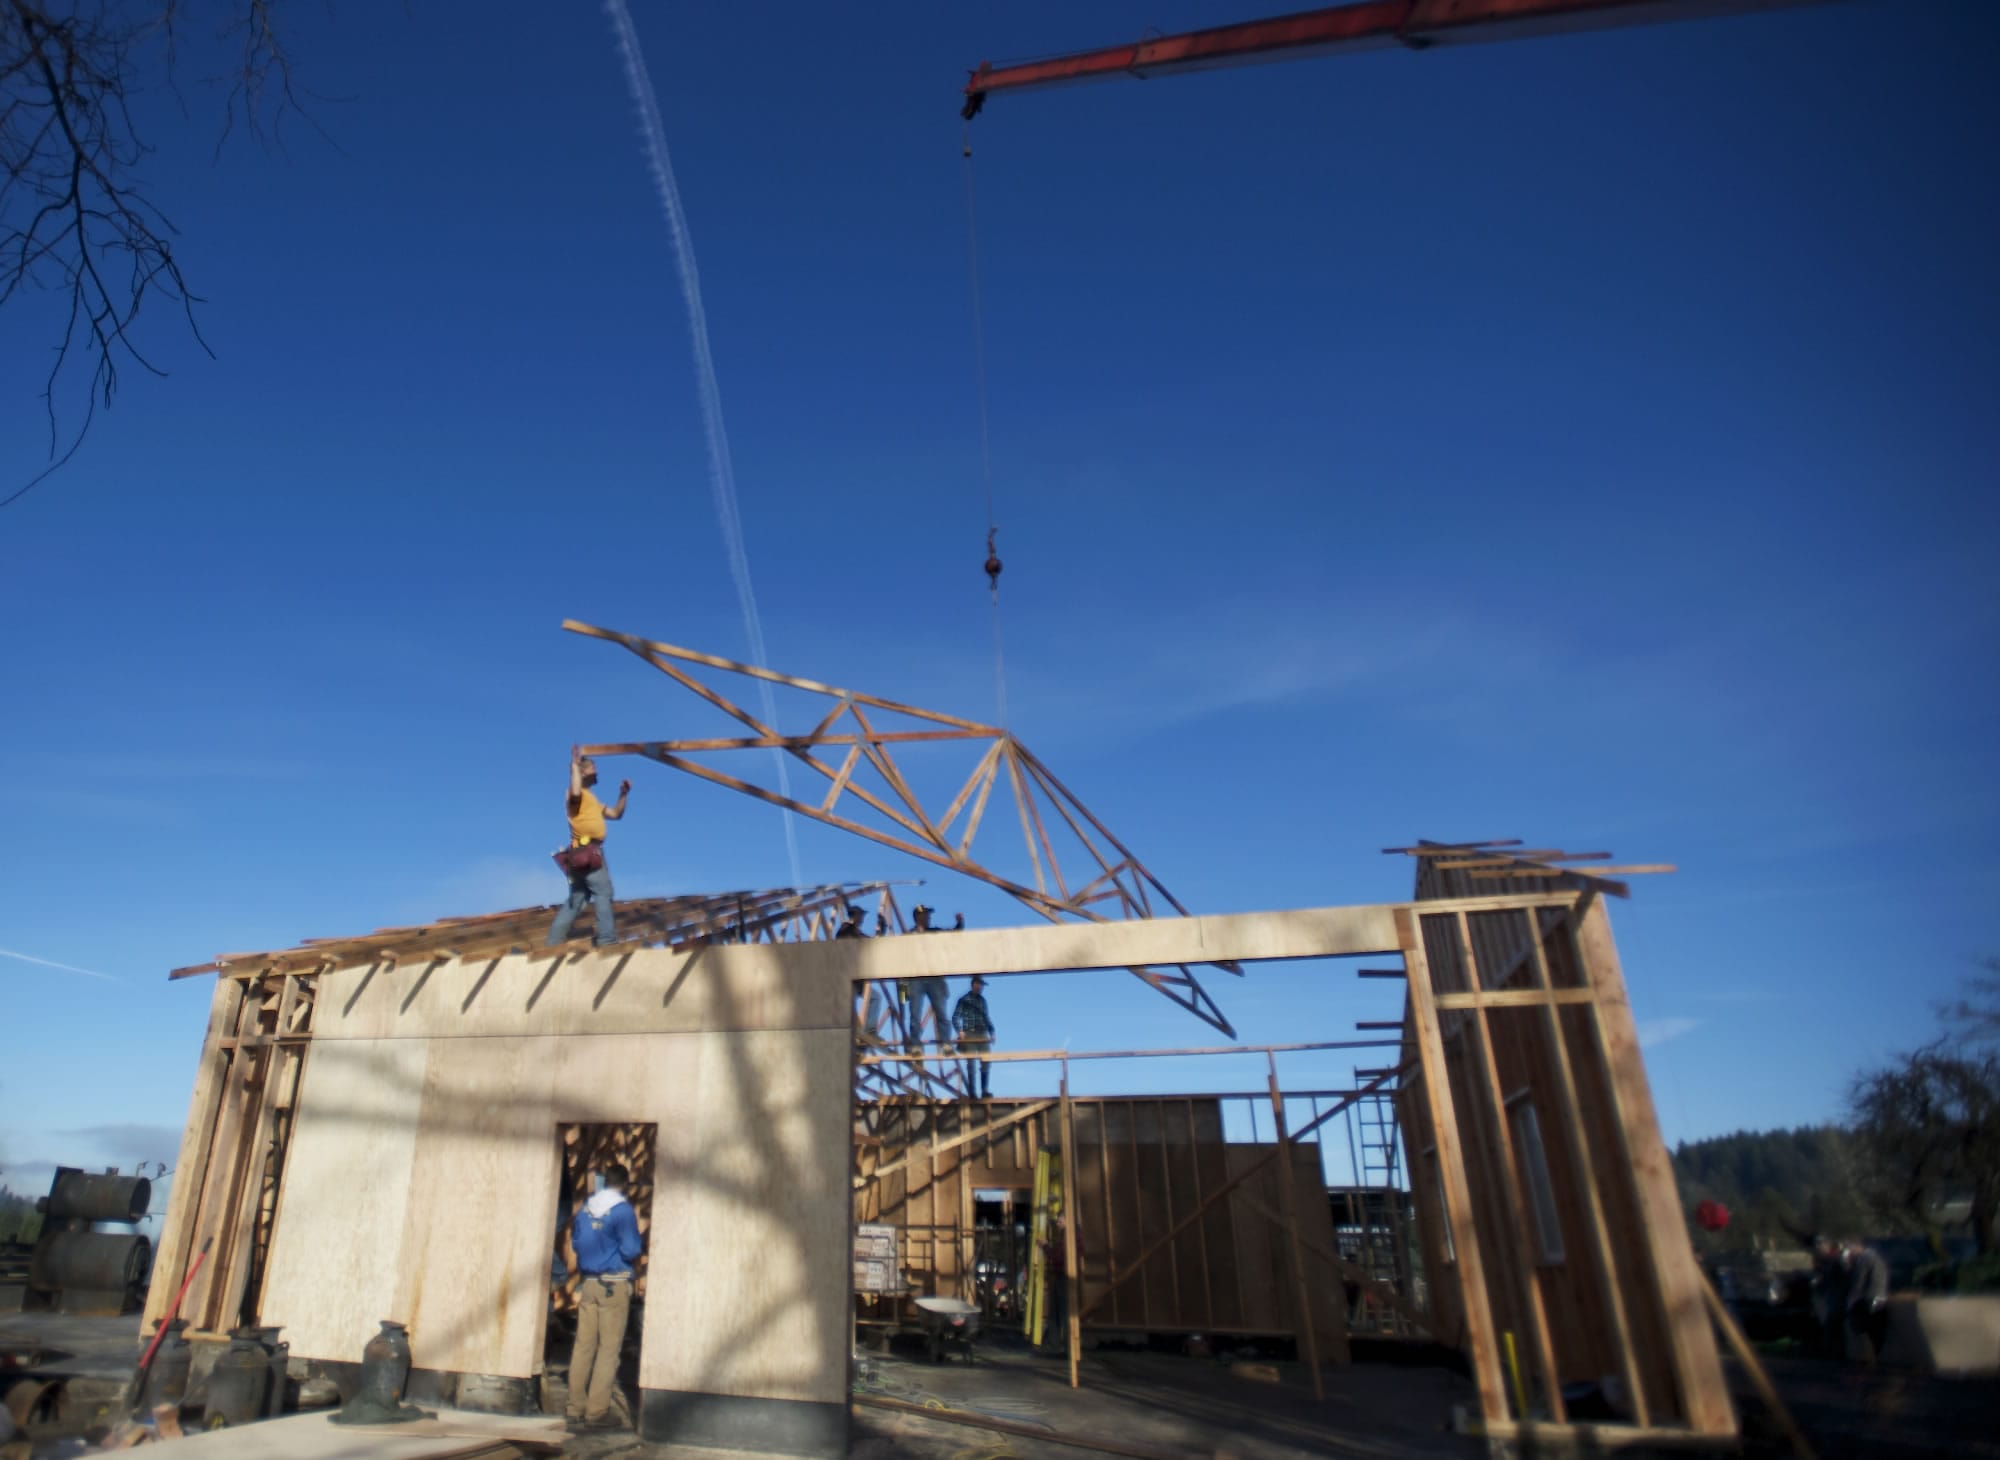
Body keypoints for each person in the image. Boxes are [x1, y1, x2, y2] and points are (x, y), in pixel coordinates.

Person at [566, 1164, 643, 1431]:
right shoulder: (622, 1211)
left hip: (588, 1284)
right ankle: (597, 1412)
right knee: (608, 1350)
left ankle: (574, 1407)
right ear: (625, 1184)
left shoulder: (586, 1210)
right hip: (614, 1284)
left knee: (583, 1346)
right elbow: (632, 1248)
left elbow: (576, 1244)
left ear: (604, 1182)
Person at [546, 747, 630, 947]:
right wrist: (574, 767)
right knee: (603, 892)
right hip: (588, 853)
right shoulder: (576, 795)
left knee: (578, 897)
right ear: (583, 772)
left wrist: (623, 794)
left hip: (580, 854)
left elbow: (616, 814)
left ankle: (553, 942)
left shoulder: (592, 799)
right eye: (594, 767)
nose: (597, 771)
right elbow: (575, 792)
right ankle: (607, 940)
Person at [901, 904, 959, 1052]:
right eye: (925, 915)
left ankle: (945, 1043)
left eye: (928, 915)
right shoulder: (908, 936)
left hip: (934, 976)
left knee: (941, 1012)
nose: (928, 917)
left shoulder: (935, 932)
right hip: (916, 978)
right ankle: (915, 1045)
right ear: (918, 917)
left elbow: (954, 934)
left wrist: (960, 923)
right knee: (915, 1014)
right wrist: (903, 990)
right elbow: (900, 959)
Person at [1843, 1239, 1890, 1363]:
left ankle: (1869, 1357)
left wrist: (1852, 1298)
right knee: (1877, 1329)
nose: (1850, 1252)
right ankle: (1874, 1357)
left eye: (1850, 1249)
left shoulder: (1864, 1259)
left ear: (1857, 1246)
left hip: (1869, 1297)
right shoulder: (1877, 1257)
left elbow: (1859, 1281)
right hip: (1881, 1296)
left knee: (1863, 1327)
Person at [953, 975, 996, 1099]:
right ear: (973, 985)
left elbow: (986, 1017)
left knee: (986, 1060)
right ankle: (972, 1093)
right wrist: (959, 1031)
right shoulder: (964, 1000)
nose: (981, 987)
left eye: (982, 985)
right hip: (969, 1033)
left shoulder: (982, 1001)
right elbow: (955, 1017)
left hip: (982, 1033)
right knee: (971, 1063)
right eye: (979, 984)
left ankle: (984, 1090)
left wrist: (992, 1031)